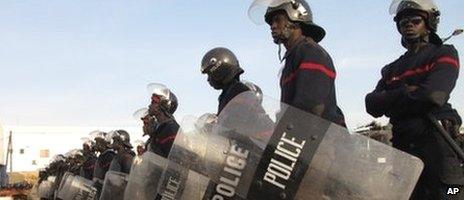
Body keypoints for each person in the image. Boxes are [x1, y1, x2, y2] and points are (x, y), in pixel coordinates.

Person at [365, 0, 463, 199]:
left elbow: (434, 95)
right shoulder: (391, 69)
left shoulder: (444, 52)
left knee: (450, 195)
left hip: (438, 146)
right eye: (403, 23)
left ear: (429, 23)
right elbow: (372, 104)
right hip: (404, 152)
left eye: (416, 20)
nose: (408, 25)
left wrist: (393, 98)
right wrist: (408, 91)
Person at [255, 0, 345, 126]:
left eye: (277, 20)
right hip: (308, 139)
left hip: (324, 141)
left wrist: (284, 132)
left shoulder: (310, 52)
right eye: (271, 23)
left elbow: (309, 107)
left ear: (295, 17)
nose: (272, 26)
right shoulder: (293, 57)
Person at [201, 47, 251, 115]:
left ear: (219, 70)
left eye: (209, 75)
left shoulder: (238, 90)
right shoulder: (226, 94)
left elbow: (238, 118)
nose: (208, 79)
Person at [143, 83, 179, 158]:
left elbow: (175, 160)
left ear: (163, 105)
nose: (149, 105)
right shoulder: (160, 130)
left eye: (153, 102)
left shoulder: (171, 128)